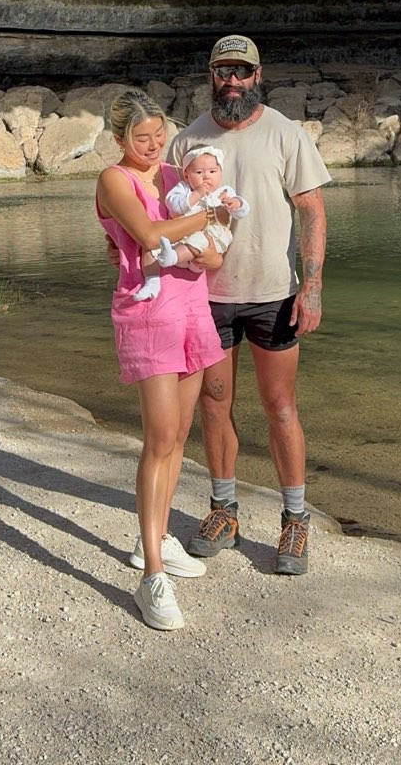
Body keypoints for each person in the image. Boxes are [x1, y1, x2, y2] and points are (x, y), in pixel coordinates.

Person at [167, 33, 331, 576]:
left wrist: (313, 285)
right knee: (213, 403)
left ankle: (295, 519)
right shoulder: (187, 141)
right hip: (204, 296)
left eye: (242, 71)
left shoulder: (285, 134)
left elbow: (310, 210)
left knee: (280, 405)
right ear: (210, 76)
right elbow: (160, 216)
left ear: (258, 76)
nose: (231, 80)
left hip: (274, 293)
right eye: (222, 71)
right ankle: (223, 510)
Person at [96, 88, 225, 631]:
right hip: (148, 316)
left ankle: (160, 538)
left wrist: (199, 233)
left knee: (179, 436)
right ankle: (151, 577)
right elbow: (149, 234)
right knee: (159, 436)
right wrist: (203, 222)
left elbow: (216, 252)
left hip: (193, 310)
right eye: (140, 138)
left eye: (159, 135)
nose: (153, 146)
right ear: (120, 138)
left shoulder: (175, 177)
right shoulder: (113, 179)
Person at [164, 145, 250, 269]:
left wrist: (235, 203)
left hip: (211, 241)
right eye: (199, 172)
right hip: (182, 238)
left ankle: (173, 257)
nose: (206, 176)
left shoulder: (224, 191)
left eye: (212, 171)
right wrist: (196, 194)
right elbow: (174, 207)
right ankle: (167, 263)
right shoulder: (184, 189)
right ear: (187, 175)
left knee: (200, 239)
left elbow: (243, 212)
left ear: (220, 172)